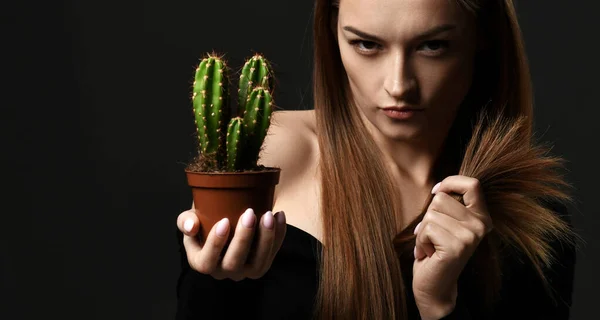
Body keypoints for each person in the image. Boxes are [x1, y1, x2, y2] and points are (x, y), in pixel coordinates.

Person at [175, 0, 578, 319]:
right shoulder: (270, 159)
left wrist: (440, 307)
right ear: (332, 32)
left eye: (432, 46)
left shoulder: (534, 218)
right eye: (366, 44)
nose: (398, 85)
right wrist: (212, 282)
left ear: (482, 38)